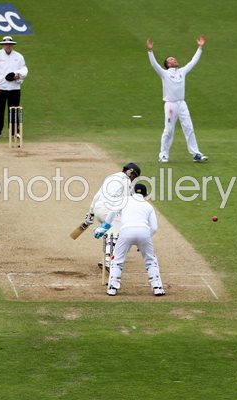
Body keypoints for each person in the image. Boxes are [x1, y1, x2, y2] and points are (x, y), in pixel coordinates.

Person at [93, 183, 165, 297]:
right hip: (144, 232)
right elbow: (154, 227)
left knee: (117, 260)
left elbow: (112, 212)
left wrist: (104, 227)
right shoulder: (148, 206)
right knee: (150, 260)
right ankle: (157, 287)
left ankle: (112, 287)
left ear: (132, 192)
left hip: (126, 231)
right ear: (145, 195)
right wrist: (145, 240)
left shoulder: (125, 200)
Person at [146, 35, 208, 163]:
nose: (175, 60)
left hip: (182, 104)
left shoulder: (182, 71)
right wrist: (150, 51)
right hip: (170, 105)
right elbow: (154, 65)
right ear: (168, 64)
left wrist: (200, 47)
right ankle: (163, 155)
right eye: (172, 59)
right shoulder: (164, 73)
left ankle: (196, 153)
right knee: (169, 130)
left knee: (189, 127)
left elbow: (193, 61)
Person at [83, 163, 141, 270]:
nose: (133, 180)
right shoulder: (126, 181)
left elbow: (97, 196)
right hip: (109, 210)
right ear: (130, 173)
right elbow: (125, 202)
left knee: (109, 232)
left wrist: (90, 213)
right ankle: (109, 260)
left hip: (98, 209)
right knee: (117, 232)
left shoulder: (110, 177)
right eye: (134, 177)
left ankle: (106, 259)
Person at [0, 36, 28, 139]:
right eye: (6, 44)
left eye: (10, 44)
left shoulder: (19, 56)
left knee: (14, 110)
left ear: (13, 45)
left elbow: (24, 69)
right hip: (0, 88)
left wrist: (18, 75)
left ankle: (15, 132)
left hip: (14, 88)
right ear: (3, 45)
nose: (8, 46)